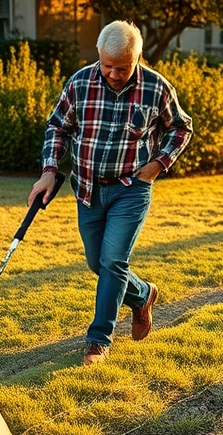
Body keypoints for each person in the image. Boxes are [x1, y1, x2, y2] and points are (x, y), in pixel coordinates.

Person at [29, 20, 193, 366]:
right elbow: (57, 127)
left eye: (122, 67)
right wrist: (47, 172)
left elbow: (181, 128)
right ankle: (143, 294)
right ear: (99, 56)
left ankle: (98, 341)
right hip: (88, 189)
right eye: (107, 66)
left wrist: (159, 163)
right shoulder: (80, 83)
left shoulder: (156, 87)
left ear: (137, 58)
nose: (114, 74)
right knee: (98, 263)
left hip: (130, 190)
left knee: (113, 261)